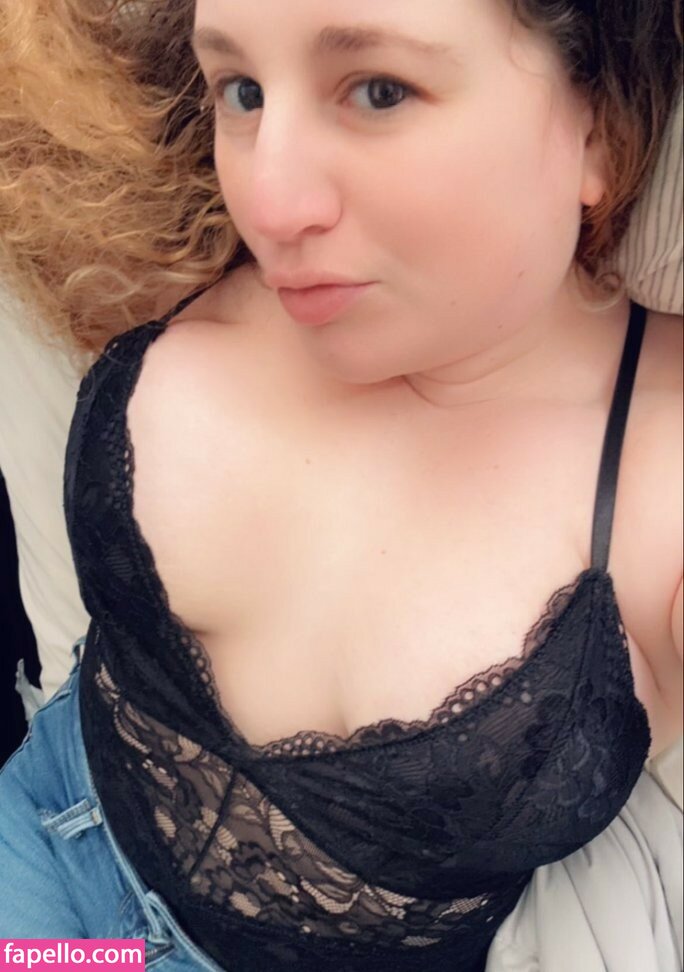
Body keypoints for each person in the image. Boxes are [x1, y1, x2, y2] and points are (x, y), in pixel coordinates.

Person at [0, 1, 681, 970]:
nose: (269, 204)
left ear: (599, 127)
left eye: (380, 90)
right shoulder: (172, 232)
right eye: (242, 90)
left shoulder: (662, 473)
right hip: (37, 856)